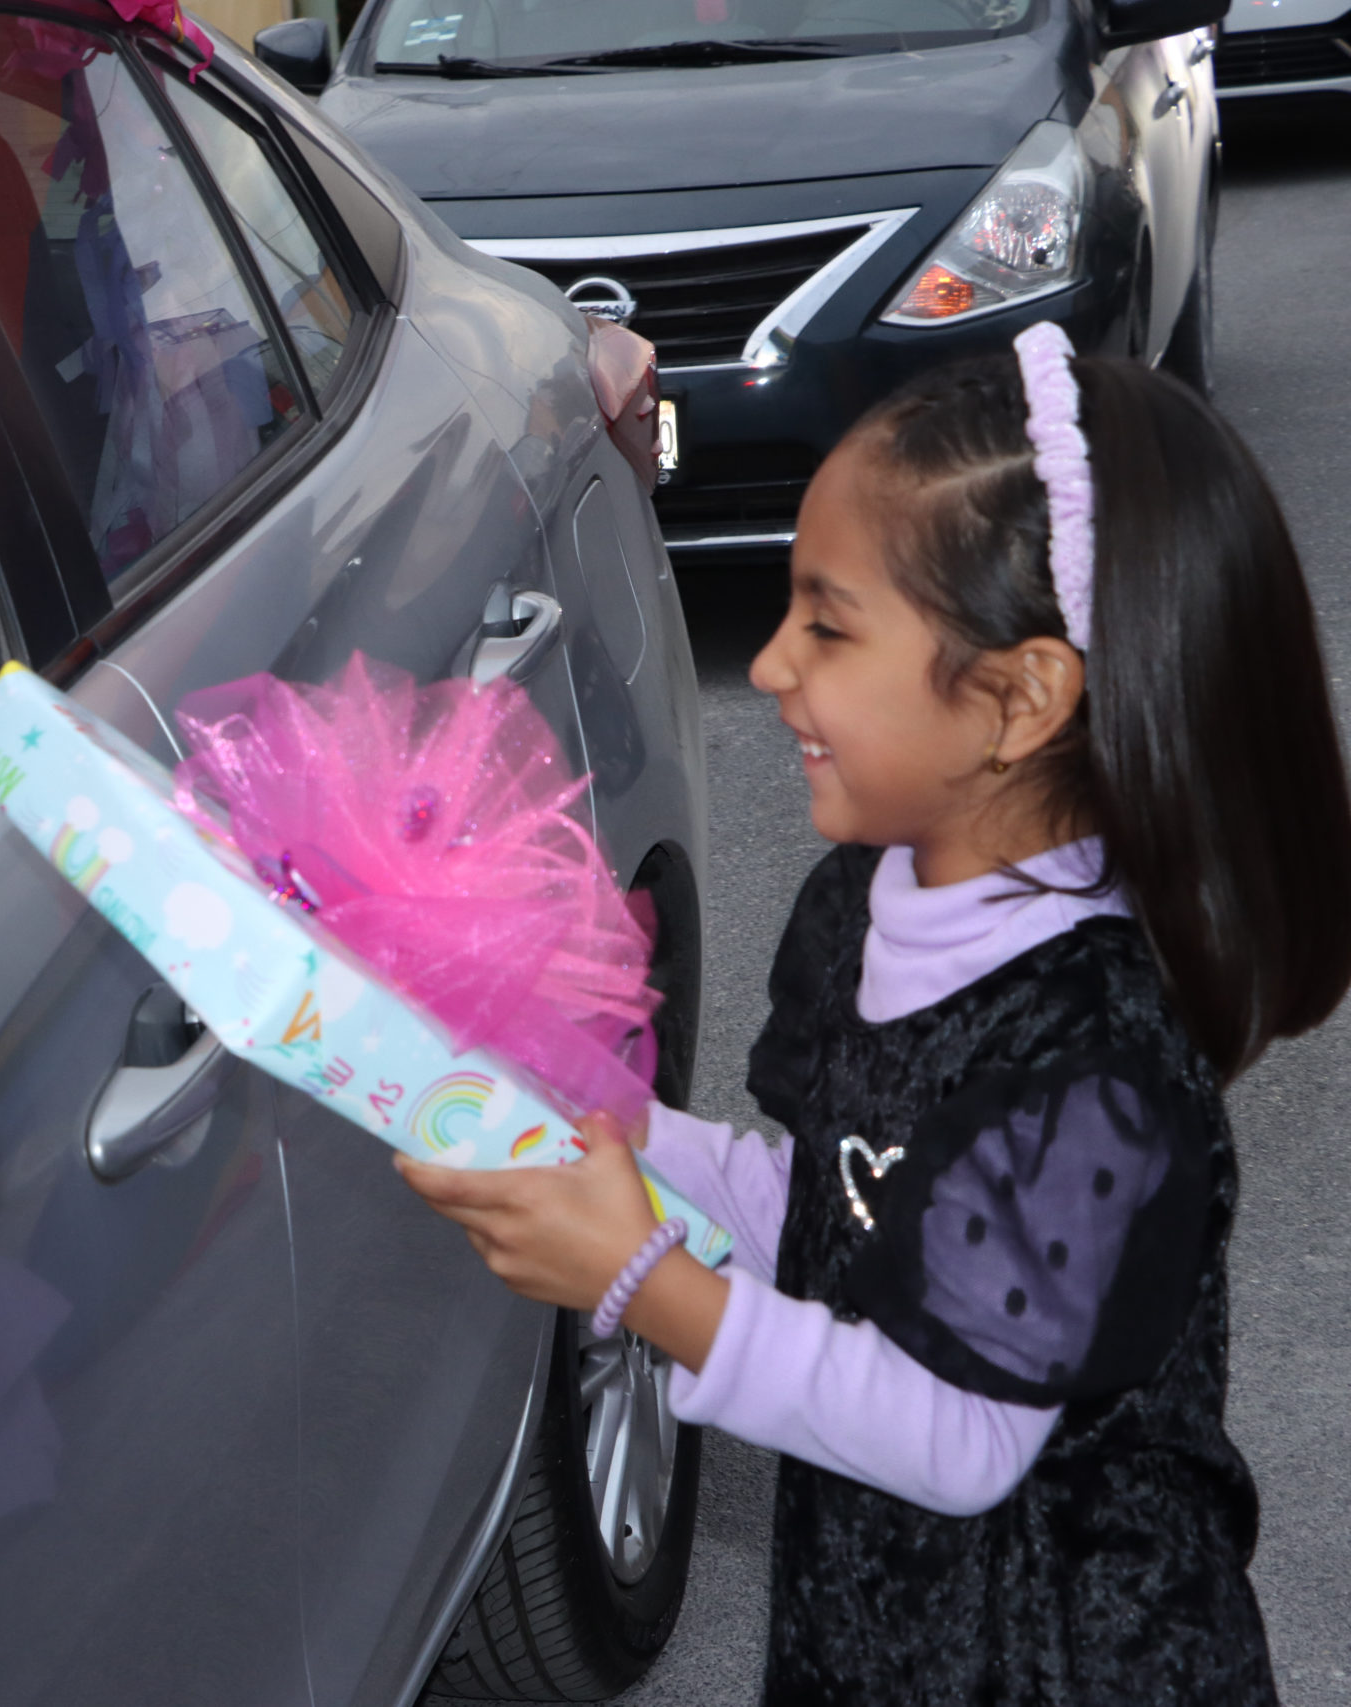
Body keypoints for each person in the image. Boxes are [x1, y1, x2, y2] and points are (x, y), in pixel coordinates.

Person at [397, 324, 1351, 1702]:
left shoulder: (1091, 1059)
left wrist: (643, 1279)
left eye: (828, 624)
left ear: (1019, 698)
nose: (773, 664)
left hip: (1063, 1653)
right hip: (886, 1615)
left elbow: (961, 1430)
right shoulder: (865, 903)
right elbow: (848, 1210)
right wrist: (617, 1129)